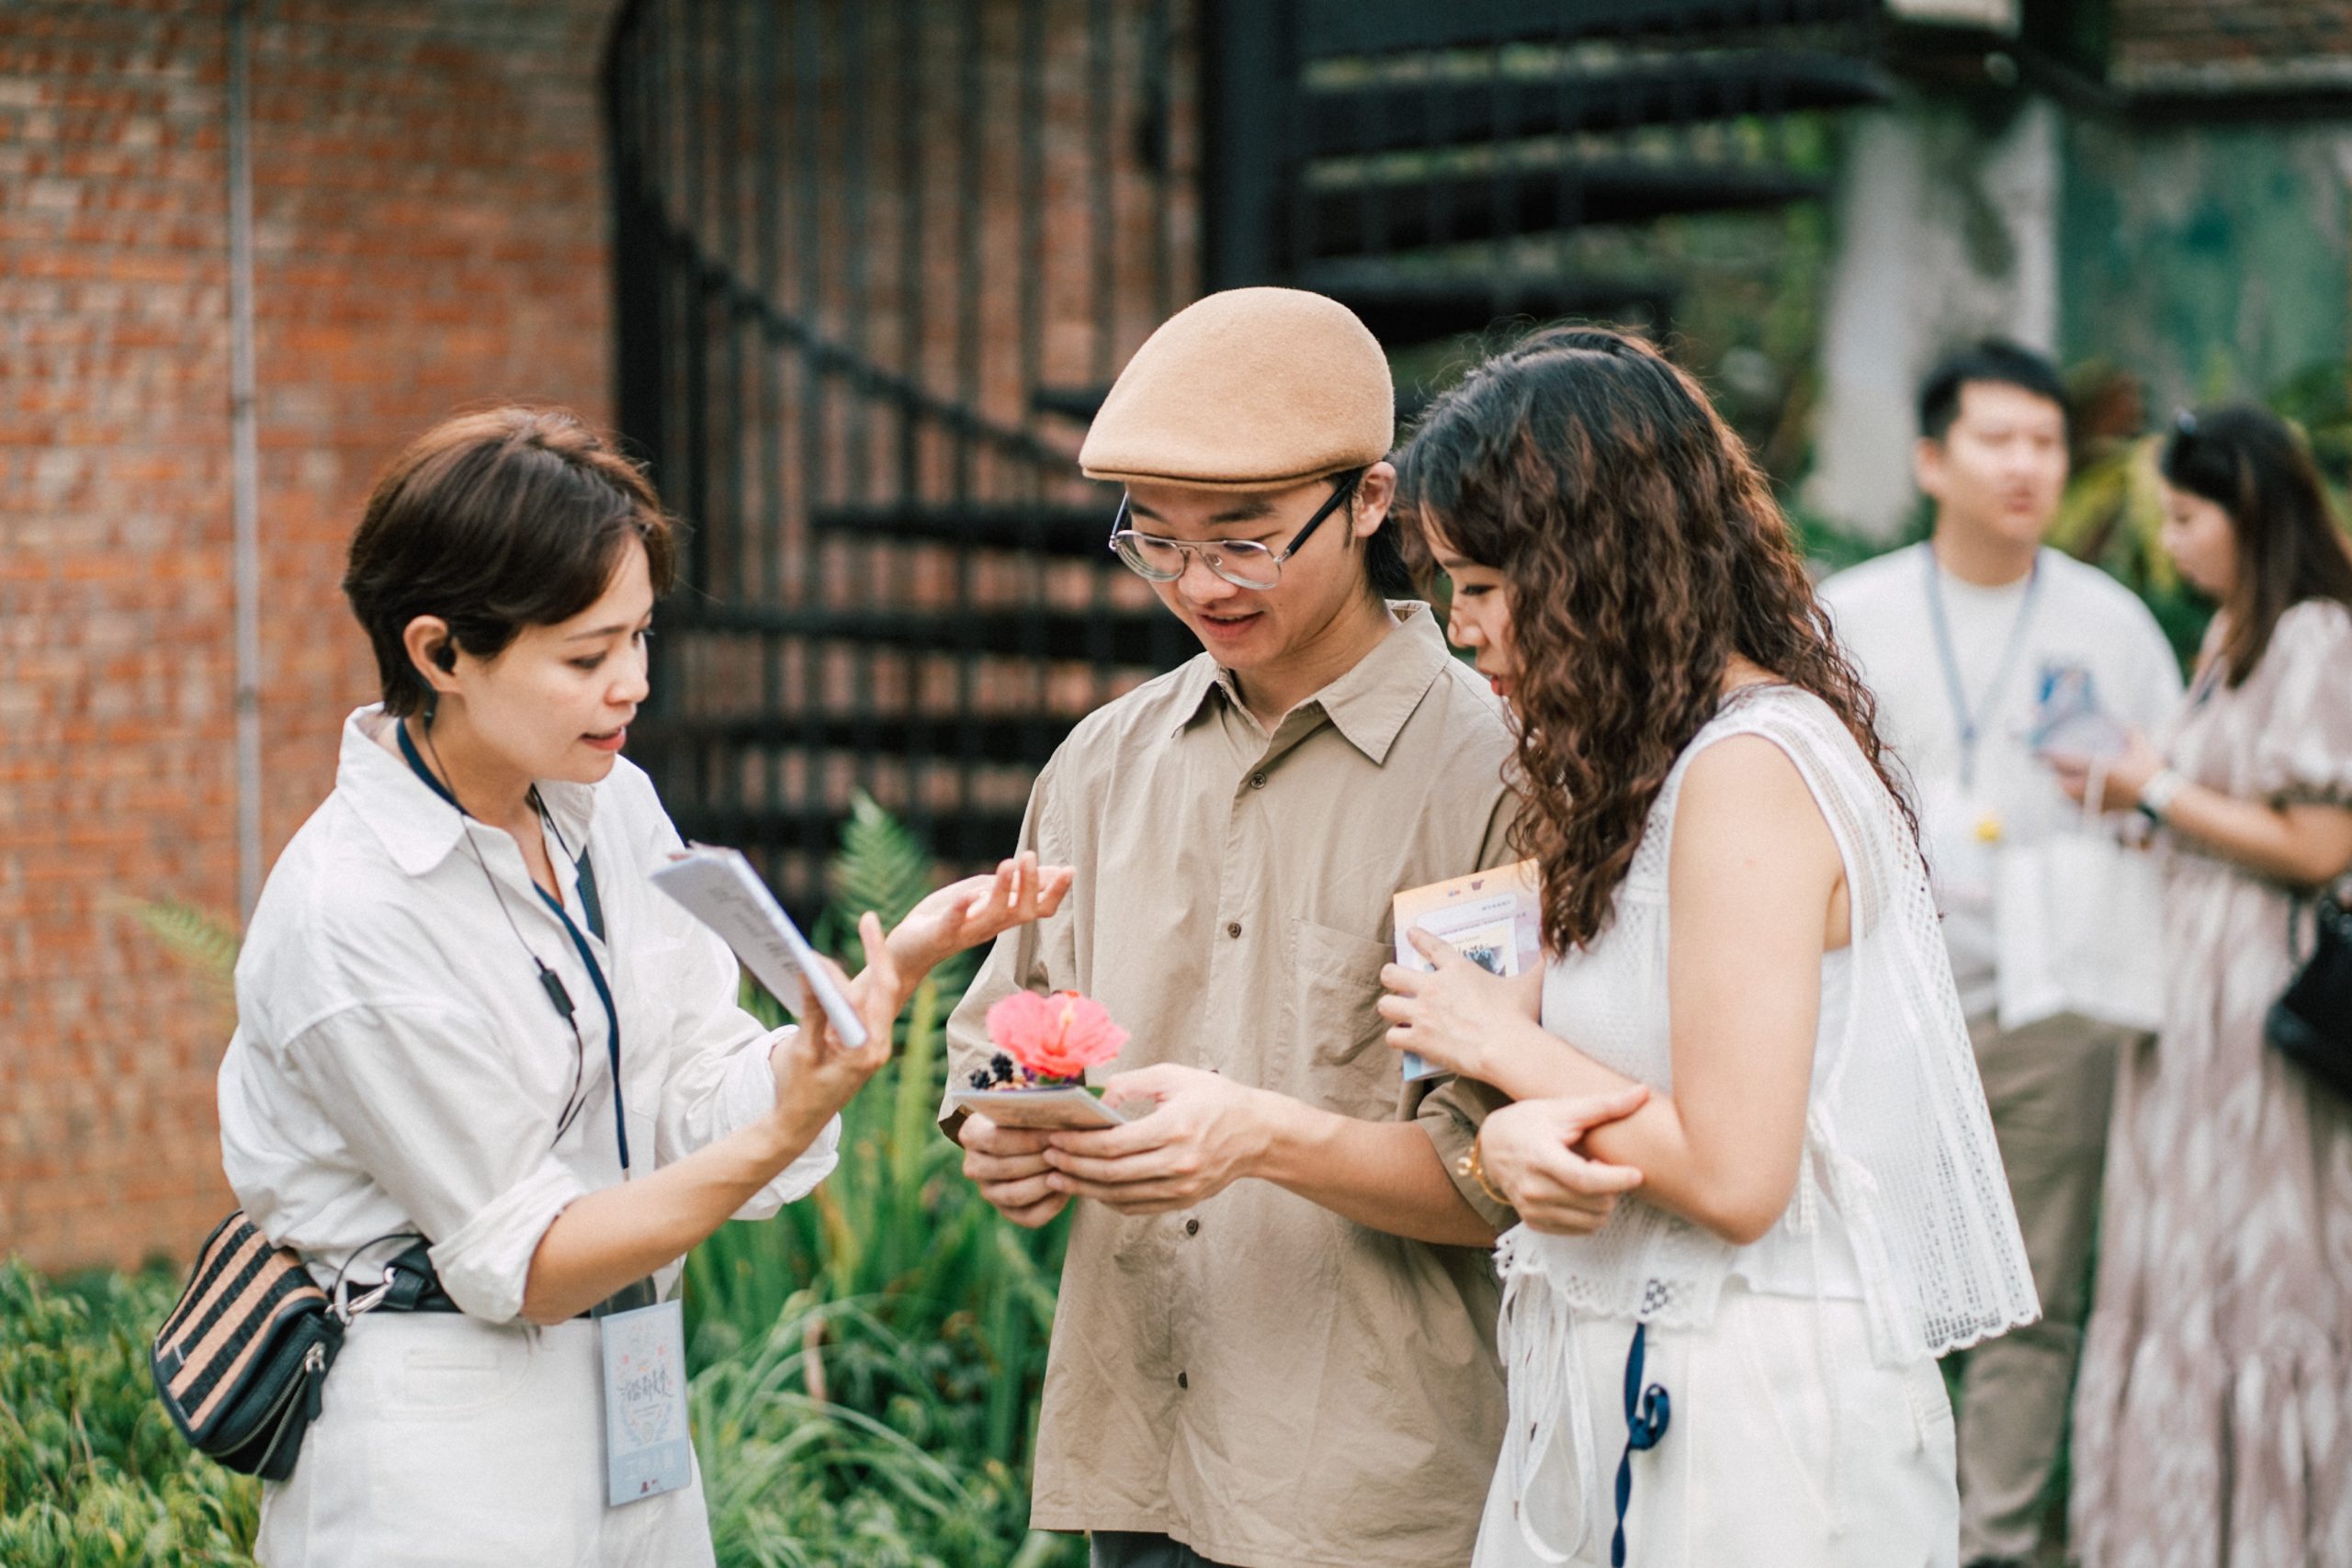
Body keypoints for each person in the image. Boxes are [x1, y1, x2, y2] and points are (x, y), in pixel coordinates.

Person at [217, 408, 1068, 1565]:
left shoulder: (606, 802)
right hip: (437, 1454)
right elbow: (523, 1264)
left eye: (640, 638)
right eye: (584, 656)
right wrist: (791, 1131)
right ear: (439, 653)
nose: (632, 685)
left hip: (628, 1414)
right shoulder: (350, 915)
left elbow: (680, 1086)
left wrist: (865, 1000)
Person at [940, 288, 1645, 1568]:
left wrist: (1259, 1136)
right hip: (1134, 1451)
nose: (1199, 582)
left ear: (1372, 501)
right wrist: (1000, 1127)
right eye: (1154, 542)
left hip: (1372, 1480)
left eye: (1246, 539)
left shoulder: (1498, 776)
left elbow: (1499, 1175)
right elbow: (1003, 1025)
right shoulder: (1102, 762)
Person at [1379, 326, 2037, 1568]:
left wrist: (1502, 1045)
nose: (1464, 631)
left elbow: (1737, 1174)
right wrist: (1513, 1123)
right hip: (1643, 1375)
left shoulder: (1748, 771)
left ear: (1588, 563)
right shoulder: (1650, 767)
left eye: (1481, 583)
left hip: (1756, 1421)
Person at [1816, 340, 2182, 1568]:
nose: (2028, 464)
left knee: (2032, 1300)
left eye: (2046, 441)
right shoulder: (1849, 614)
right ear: (1932, 459)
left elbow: (2163, 798)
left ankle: (1998, 1545)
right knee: (1876, 1282)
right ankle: (1878, 1530)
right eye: (1998, 439)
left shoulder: (2111, 619)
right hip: (1886, 999)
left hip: (2053, 1000)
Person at [2055, 405, 2352, 1568]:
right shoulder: (2234, 632)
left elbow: (2323, 843)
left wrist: (2156, 788)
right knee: (2182, 1265)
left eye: (2186, 517)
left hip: (2262, 1017)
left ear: (2251, 512)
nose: (2169, 541)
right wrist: (2144, 801)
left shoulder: (2318, 635)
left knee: (2261, 1274)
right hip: (2186, 1013)